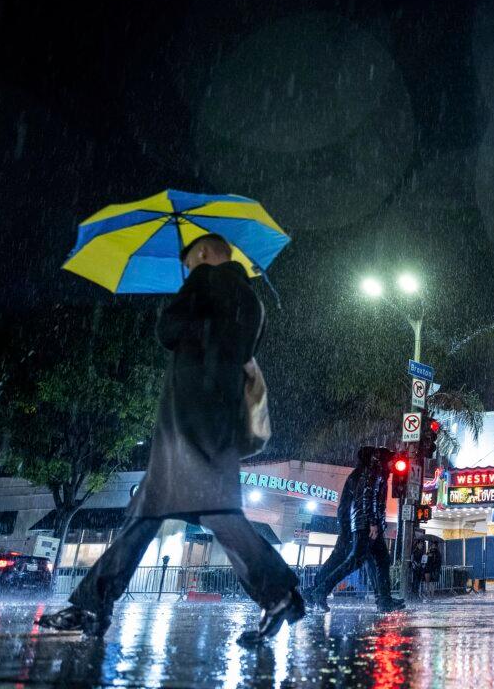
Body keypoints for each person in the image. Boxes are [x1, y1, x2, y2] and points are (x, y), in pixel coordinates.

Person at [37, 234, 302, 645]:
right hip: (213, 420)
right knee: (152, 515)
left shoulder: (204, 282)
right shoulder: (250, 300)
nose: (187, 270)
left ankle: (278, 592)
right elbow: (235, 349)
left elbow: (167, 329)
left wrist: (189, 293)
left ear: (202, 254)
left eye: (188, 262)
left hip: (189, 421)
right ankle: (93, 604)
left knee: (207, 512)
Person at [304, 446, 405, 614]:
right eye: (390, 460)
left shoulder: (369, 473)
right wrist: (369, 523)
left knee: (377, 561)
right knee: (350, 560)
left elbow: (368, 501)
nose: (393, 463)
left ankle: (383, 599)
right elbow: (365, 499)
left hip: (359, 524)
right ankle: (317, 591)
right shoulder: (367, 474)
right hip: (358, 525)